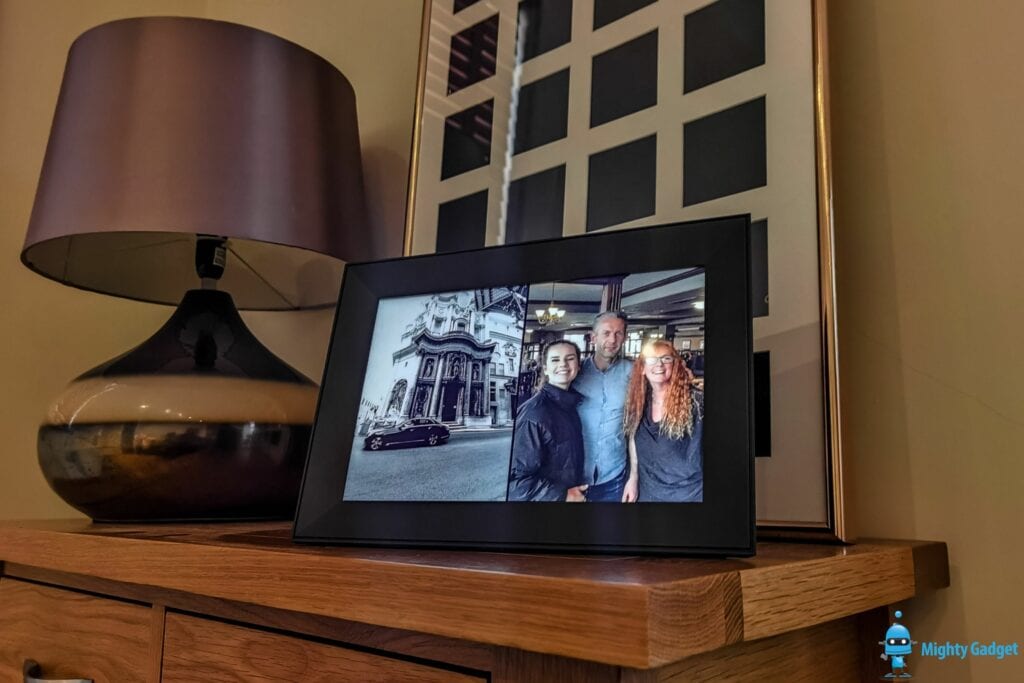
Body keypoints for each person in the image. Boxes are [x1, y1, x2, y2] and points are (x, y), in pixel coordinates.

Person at [622, 339, 704, 502]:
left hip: (688, 494)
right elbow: (633, 438)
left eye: (666, 358)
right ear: (642, 368)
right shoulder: (639, 400)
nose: (659, 364)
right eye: (651, 359)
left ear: (675, 365)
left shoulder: (697, 402)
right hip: (648, 491)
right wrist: (633, 477)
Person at [508, 340, 589, 502]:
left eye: (570, 358)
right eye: (555, 360)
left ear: (578, 366)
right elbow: (516, 483)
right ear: (545, 368)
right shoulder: (533, 413)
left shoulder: (570, 405)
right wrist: (564, 495)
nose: (563, 364)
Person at [573, 311, 634, 502]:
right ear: (593, 337)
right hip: (574, 475)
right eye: (606, 333)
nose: (612, 340)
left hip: (613, 475)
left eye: (618, 333)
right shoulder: (575, 372)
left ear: (624, 338)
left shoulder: (633, 372)